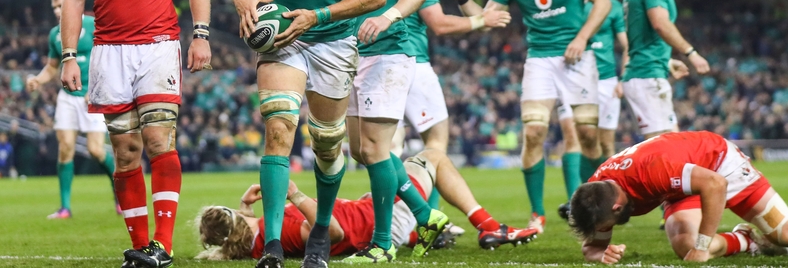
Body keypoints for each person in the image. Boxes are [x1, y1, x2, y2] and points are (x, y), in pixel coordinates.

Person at [225, 0, 387, 268]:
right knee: (279, 126)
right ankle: (274, 246)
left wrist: (316, 16)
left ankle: (321, 229)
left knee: (328, 144)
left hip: (333, 38)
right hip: (284, 39)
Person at [60, 0, 212, 268]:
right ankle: (142, 248)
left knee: (159, 140)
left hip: (158, 46)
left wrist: (200, 35)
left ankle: (162, 246)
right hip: (108, 52)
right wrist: (69, 55)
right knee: (125, 152)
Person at [442, 0, 612, 232]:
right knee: (533, 132)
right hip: (540, 60)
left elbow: (603, 1)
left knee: (589, 137)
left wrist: (582, 38)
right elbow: (488, 18)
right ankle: (538, 214)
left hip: (577, 57)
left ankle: (595, 207)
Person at [346, 0, 447, 263]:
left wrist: (388, 17)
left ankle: (383, 242)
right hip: (360, 54)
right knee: (360, 149)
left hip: (389, 52)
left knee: (376, 149)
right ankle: (426, 214)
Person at [194, 149, 538, 261]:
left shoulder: (256, 240)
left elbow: (245, 230)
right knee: (429, 155)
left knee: (389, 153)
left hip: (368, 208)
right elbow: (332, 231)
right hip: (378, 219)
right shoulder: (282, 231)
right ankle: (487, 226)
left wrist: (244, 207)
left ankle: (425, 231)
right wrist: (296, 195)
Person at [392, 0, 511, 210]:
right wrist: (481, 20)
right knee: (435, 145)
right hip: (413, 64)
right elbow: (440, 24)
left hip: (372, 67)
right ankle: (431, 217)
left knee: (385, 153)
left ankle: (390, 225)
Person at [569, 131, 788, 263]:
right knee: (686, 248)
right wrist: (601, 254)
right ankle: (746, 239)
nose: (605, 232)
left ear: (617, 207)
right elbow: (592, 247)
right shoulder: (599, 194)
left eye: (606, 227)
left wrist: (702, 246)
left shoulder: (651, 172)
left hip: (719, 163)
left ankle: (732, 240)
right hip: (680, 183)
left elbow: (715, 184)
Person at [26, 0, 117, 218]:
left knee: (96, 150)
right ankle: (65, 207)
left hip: (93, 95)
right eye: (54, 7)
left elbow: (109, 58)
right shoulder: (55, 34)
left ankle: (119, 196)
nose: (57, 11)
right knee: (65, 149)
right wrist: (38, 79)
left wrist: (97, 87)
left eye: (60, 5)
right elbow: (52, 67)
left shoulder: (94, 25)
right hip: (68, 96)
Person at [556, 0, 630, 220]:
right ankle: (574, 201)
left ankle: (609, 198)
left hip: (607, 80)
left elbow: (626, 43)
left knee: (606, 143)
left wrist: (624, 78)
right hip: (574, 77)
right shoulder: (568, 4)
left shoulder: (610, 5)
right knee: (572, 137)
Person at [622, 0, 710, 140]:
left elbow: (641, 37)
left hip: (644, 71)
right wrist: (691, 53)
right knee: (663, 148)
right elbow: (660, 24)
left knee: (667, 144)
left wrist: (667, 61)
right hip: (647, 74)